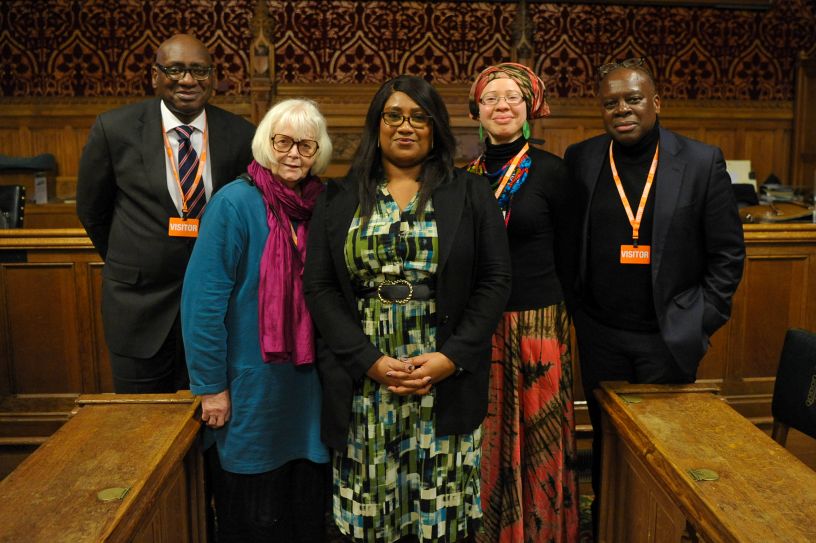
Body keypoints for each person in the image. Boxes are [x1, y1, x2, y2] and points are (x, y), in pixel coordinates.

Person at [303, 75, 511, 543]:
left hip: (444, 377)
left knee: (443, 516)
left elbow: (495, 280)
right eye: (393, 115)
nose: (406, 126)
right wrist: (368, 361)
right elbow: (319, 287)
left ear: (435, 128)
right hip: (364, 379)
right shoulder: (337, 198)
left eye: (419, 117)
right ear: (376, 125)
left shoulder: (472, 193)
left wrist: (450, 358)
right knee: (370, 515)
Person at [562, 58, 745, 534]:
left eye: (633, 98)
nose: (622, 109)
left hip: (667, 337)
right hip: (600, 335)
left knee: (668, 453)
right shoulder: (582, 158)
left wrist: (699, 321)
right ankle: (608, 527)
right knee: (607, 447)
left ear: (656, 102)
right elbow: (567, 243)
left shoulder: (702, 161)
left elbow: (727, 256)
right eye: (610, 102)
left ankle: (663, 531)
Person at [181, 98, 332, 542]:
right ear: (265, 144)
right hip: (250, 389)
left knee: (305, 515)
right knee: (252, 520)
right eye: (282, 142)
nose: (293, 154)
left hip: (308, 390)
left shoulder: (323, 204)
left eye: (306, 145)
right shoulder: (234, 203)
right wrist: (210, 388)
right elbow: (202, 306)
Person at [76, 34, 255, 393]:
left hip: (216, 308)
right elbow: (92, 210)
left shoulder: (240, 134)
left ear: (212, 77)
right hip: (138, 307)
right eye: (174, 70)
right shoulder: (115, 129)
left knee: (213, 421)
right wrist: (136, 259)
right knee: (141, 423)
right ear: (155, 75)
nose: (187, 80)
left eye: (199, 71)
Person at [465, 63, 579, 543]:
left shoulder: (554, 172)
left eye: (512, 97)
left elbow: (572, 254)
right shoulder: (465, 177)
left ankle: (541, 531)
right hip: (481, 326)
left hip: (538, 325)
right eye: (491, 98)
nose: (502, 106)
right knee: (487, 435)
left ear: (530, 106)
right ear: (477, 111)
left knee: (538, 438)